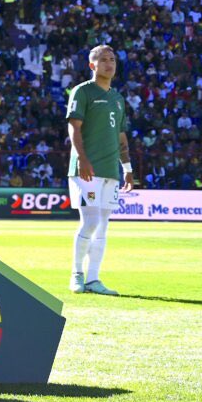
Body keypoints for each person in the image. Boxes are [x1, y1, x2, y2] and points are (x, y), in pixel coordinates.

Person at [66, 44, 134, 295]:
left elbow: (122, 137)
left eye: (113, 60)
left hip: (110, 171)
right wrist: (82, 159)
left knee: (103, 224)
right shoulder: (82, 91)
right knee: (91, 220)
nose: (109, 64)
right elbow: (74, 127)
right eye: (103, 60)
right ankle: (76, 274)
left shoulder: (118, 98)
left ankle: (94, 279)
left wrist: (127, 167)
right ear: (92, 65)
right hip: (87, 169)